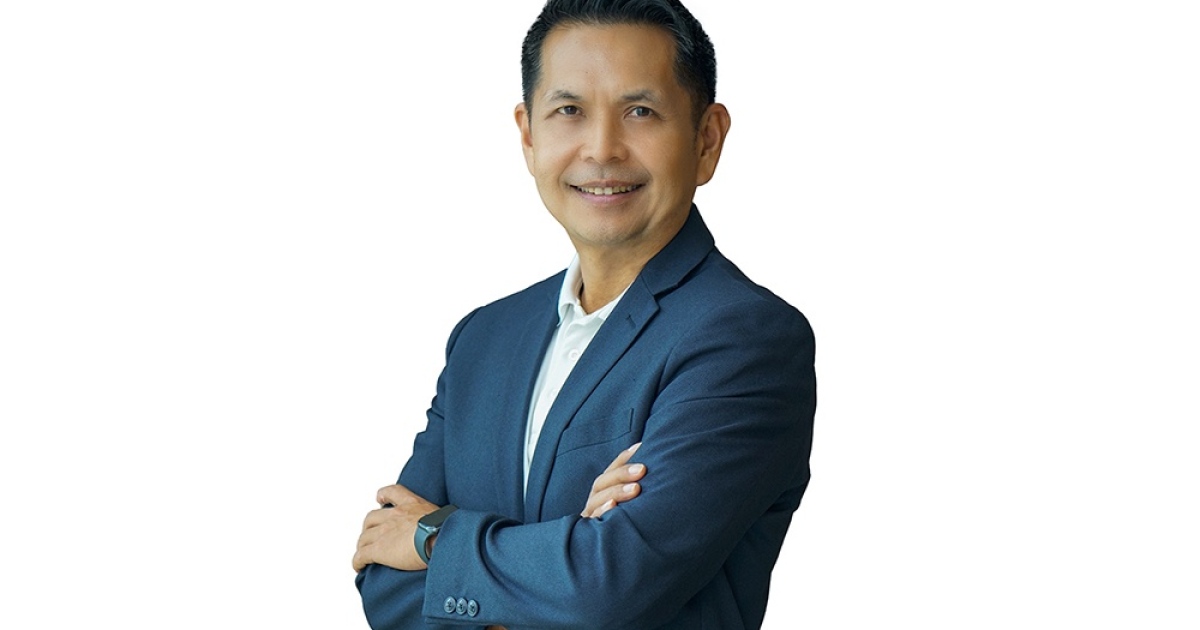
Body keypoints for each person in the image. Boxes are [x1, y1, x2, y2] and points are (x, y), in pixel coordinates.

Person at [352, 1, 816, 628]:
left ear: (706, 139)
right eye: (569, 111)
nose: (601, 149)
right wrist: (567, 550)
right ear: (528, 135)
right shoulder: (483, 339)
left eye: (640, 111)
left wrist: (433, 537)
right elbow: (382, 581)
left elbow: (609, 585)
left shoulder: (745, 339)